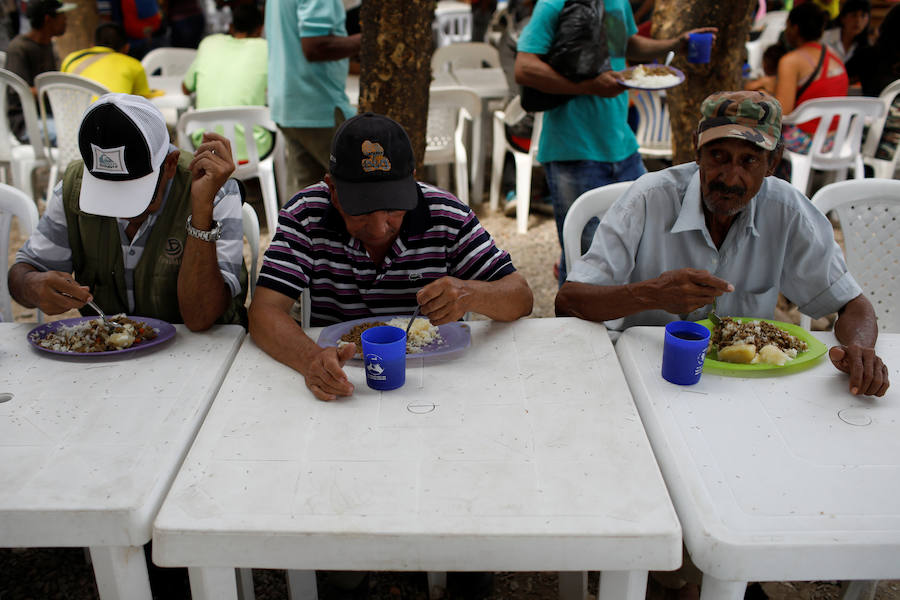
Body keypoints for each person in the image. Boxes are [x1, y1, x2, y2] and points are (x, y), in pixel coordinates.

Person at [555, 90, 890, 399]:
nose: (730, 178)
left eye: (749, 161)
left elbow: (853, 305)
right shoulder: (647, 200)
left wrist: (861, 350)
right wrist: (652, 294)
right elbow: (569, 301)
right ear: (696, 151)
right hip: (648, 379)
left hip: (746, 388)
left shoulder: (787, 211)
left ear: (772, 164)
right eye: (718, 156)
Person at [249, 112, 534, 402]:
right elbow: (264, 312)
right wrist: (311, 359)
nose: (378, 228)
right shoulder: (306, 214)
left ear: (411, 183)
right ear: (332, 189)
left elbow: (521, 297)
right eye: (360, 210)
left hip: (437, 381)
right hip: (342, 374)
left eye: (393, 208)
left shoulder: (447, 215)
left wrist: (471, 293)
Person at [514, 0, 716, 286]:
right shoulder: (554, 3)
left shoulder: (617, 1)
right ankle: (574, 326)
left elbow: (627, 44)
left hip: (624, 147)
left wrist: (673, 44)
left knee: (644, 244)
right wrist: (587, 87)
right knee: (585, 260)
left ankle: (617, 324)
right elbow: (524, 68)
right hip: (573, 150)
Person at [9, 93, 248, 330]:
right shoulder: (74, 188)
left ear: (171, 164)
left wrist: (200, 214)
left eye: (134, 195)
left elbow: (201, 317)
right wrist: (31, 285)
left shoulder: (214, 189)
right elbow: (24, 271)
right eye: (106, 194)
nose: (120, 212)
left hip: (203, 354)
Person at [264, 0, 360, 195]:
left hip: (290, 104)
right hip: (318, 105)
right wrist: (375, 38)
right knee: (360, 187)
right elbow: (315, 45)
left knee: (308, 198)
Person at [182, 3, 270, 163]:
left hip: (206, 145)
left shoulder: (209, 43)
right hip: (255, 148)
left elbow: (186, 88)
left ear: (230, 26)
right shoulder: (266, 48)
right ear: (260, 29)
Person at [774, 2, 848, 157]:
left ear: (794, 28)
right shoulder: (835, 56)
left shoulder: (791, 61)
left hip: (809, 140)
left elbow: (782, 112)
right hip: (837, 139)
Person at [4, 0, 74, 143]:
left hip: (52, 115)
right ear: (48, 19)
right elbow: (19, 91)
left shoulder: (49, 44)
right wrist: (56, 90)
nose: (66, 19)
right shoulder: (19, 48)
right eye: (62, 16)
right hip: (27, 123)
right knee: (72, 136)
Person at [60, 22, 160, 97]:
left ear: (93, 45)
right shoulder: (133, 64)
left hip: (69, 121)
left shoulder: (70, 58)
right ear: (126, 48)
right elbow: (142, 100)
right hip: (110, 123)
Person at [820, 0, 870, 64]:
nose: (858, 20)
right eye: (854, 15)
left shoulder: (866, 47)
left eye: (863, 16)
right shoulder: (824, 38)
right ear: (843, 18)